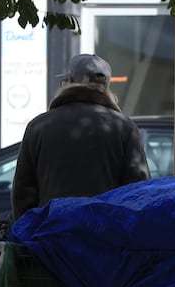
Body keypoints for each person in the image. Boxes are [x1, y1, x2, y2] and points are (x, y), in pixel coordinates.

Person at [11, 53, 150, 221]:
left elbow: (23, 193)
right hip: (105, 236)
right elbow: (138, 191)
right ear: (106, 87)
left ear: (69, 82)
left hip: (50, 236)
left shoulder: (39, 126)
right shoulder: (124, 127)